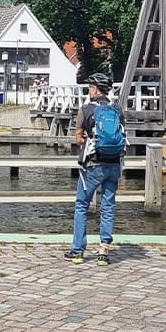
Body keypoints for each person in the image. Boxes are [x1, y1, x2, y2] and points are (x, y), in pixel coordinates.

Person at [64, 72, 123, 266]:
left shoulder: (86, 109)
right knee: (108, 207)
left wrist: (89, 141)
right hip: (114, 164)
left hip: (92, 165)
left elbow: (78, 139)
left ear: (95, 89)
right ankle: (104, 252)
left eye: (90, 87)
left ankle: (78, 251)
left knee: (82, 205)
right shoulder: (116, 110)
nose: (89, 90)